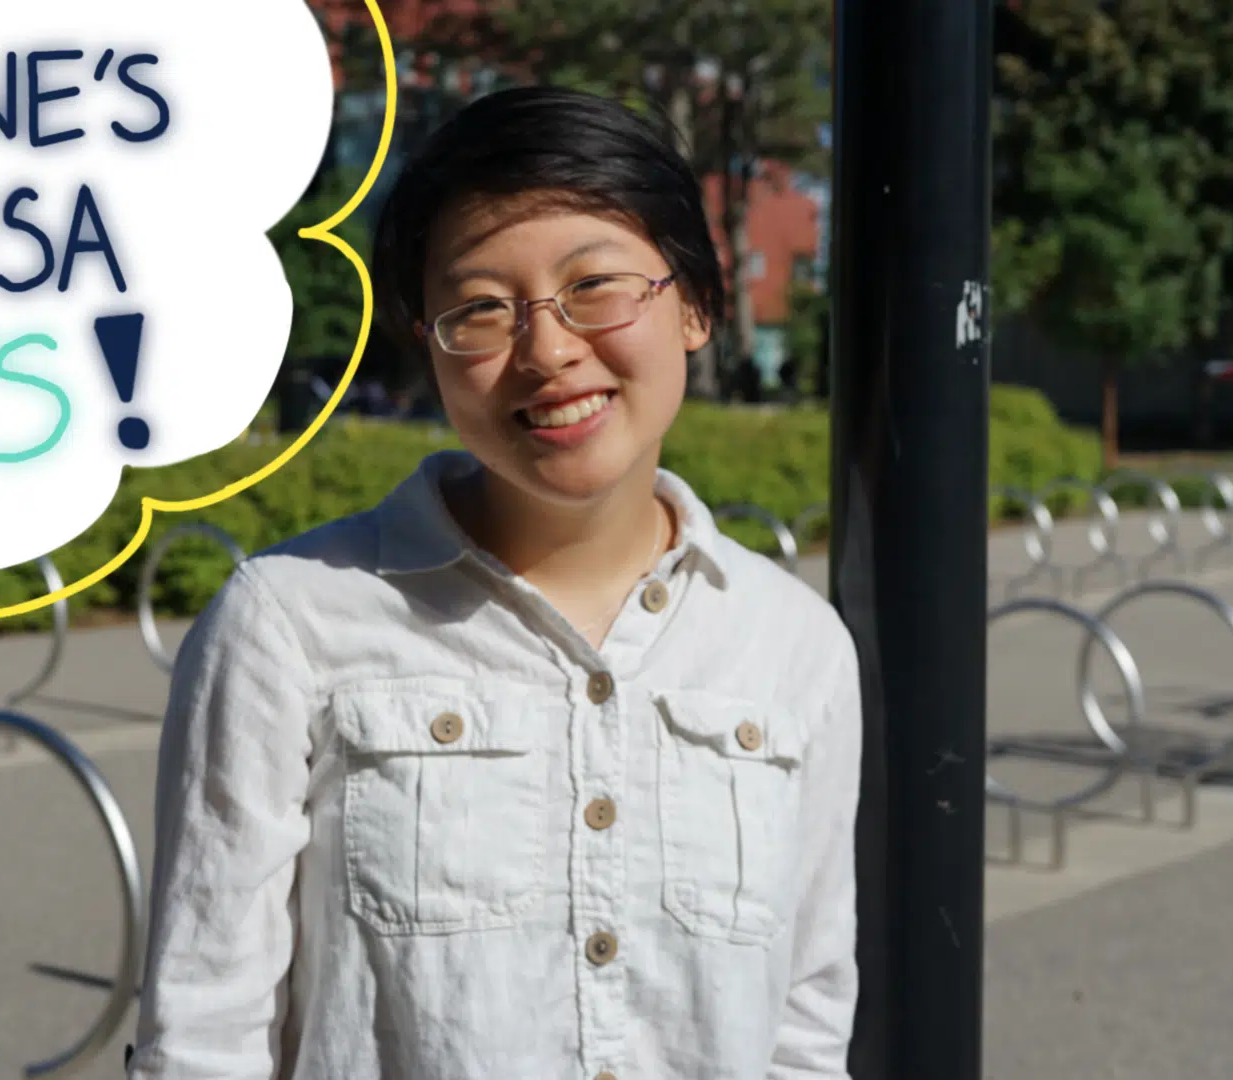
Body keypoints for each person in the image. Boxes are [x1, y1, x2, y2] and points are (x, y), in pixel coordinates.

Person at [126, 85, 862, 1080]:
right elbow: (206, 1028)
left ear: (694, 303)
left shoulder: (794, 643)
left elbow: (803, 1018)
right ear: (425, 340)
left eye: (595, 286)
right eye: (480, 308)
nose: (549, 350)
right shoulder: (291, 622)